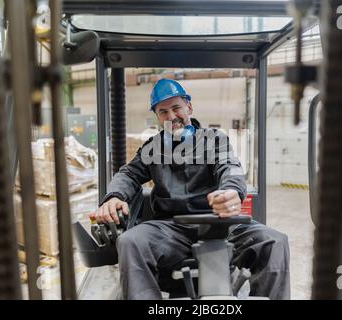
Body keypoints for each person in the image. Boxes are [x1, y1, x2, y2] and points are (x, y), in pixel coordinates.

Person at [90, 78, 290, 300]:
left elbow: (230, 167)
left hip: (220, 224)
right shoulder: (153, 147)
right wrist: (114, 196)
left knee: (274, 241)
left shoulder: (215, 140)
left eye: (176, 108)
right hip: (170, 228)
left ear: (189, 107)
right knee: (129, 241)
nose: (171, 117)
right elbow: (128, 174)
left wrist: (232, 190)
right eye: (163, 112)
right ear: (157, 116)